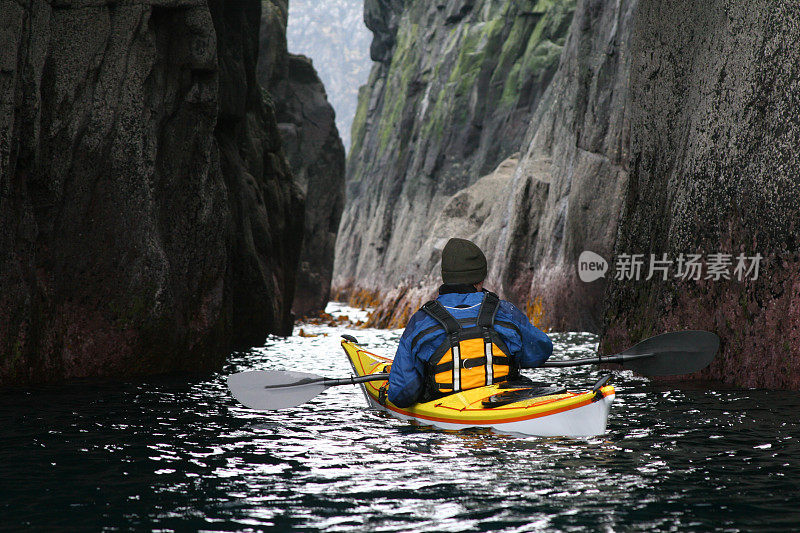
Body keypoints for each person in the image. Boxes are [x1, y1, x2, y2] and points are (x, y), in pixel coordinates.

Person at [386, 238, 553, 408]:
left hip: (444, 423)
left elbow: (401, 393)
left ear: (446, 277)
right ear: (480, 278)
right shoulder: (504, 311)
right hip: (502, 406)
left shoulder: (421, 320)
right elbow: (541, 350)